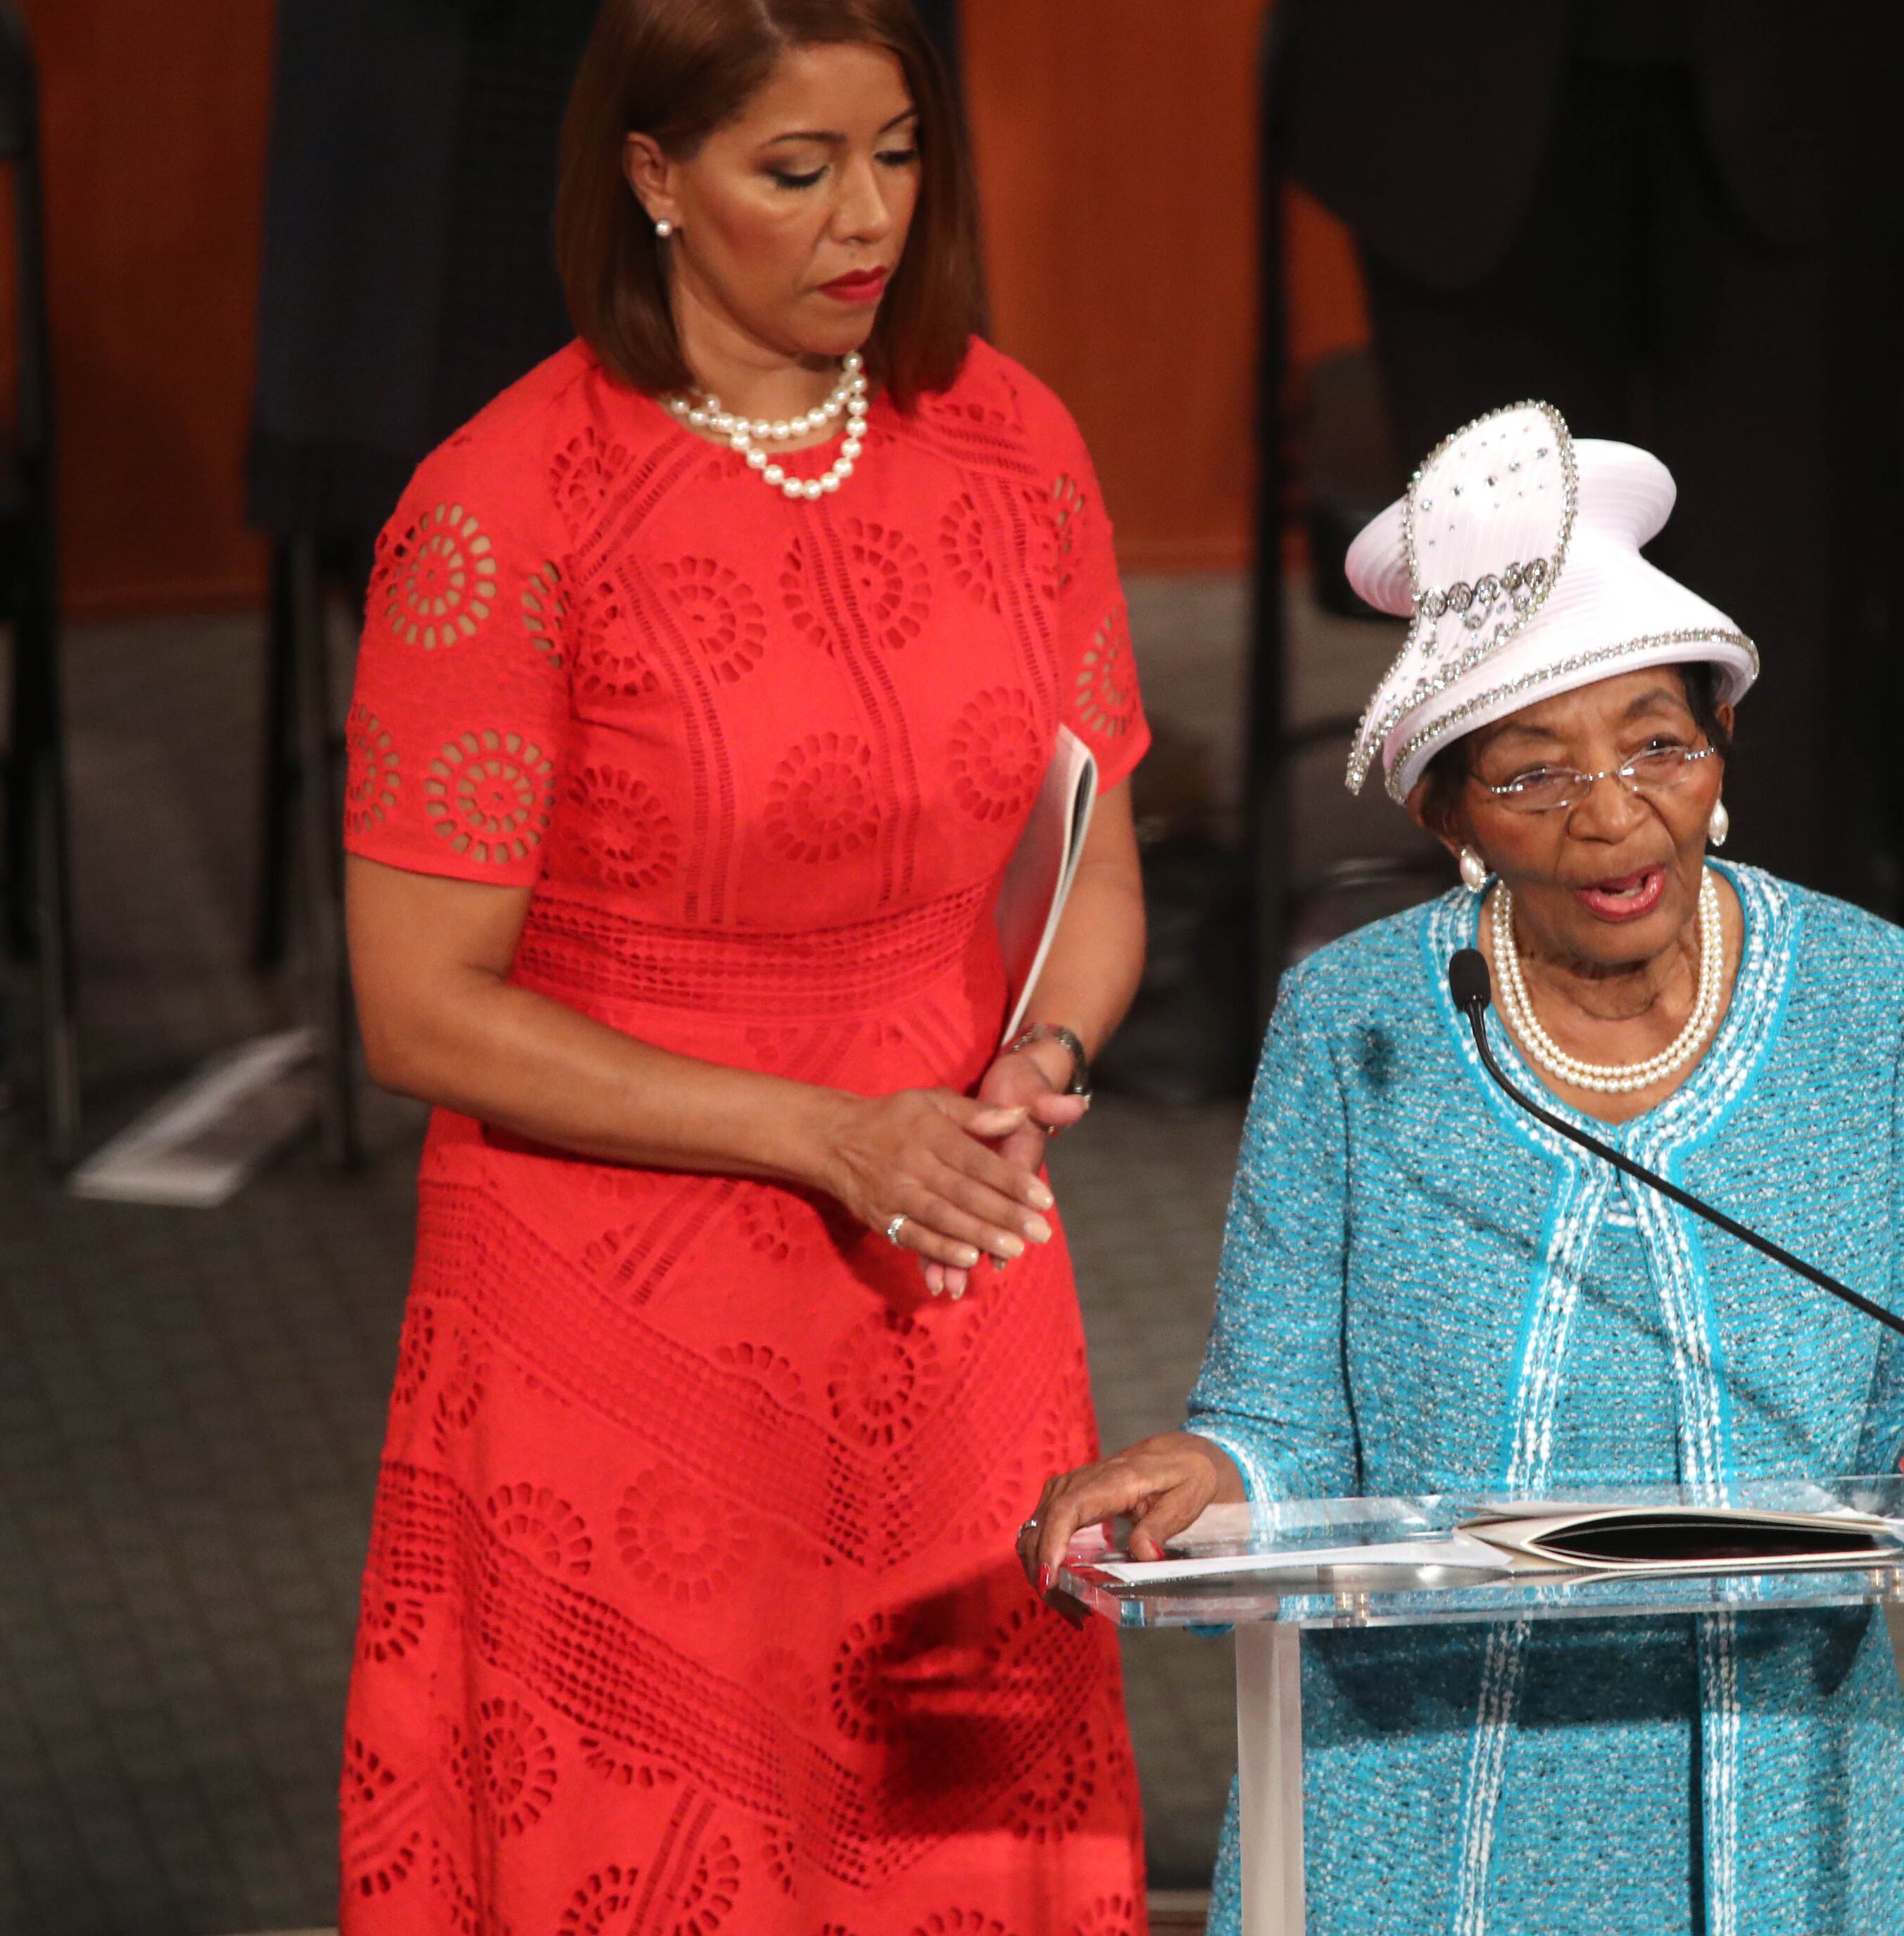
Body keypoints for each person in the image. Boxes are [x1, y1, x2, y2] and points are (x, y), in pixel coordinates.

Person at [1019, 404, 1904, 1935]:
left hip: (1778, 1769)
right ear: (1445, 810)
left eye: (1660, 744)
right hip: (1421, 1764)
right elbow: (1277, 1421)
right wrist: (1210, 1477)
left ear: (1720, 747)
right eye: (1534, 775)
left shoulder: (1876, 1000)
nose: (1613, 814)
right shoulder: (1355, 1021)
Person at [333, 2, 1153, 1929]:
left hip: (949, 1248)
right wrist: (825, 1134)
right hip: (620, 1304)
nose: (867, 216)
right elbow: (418, 1005)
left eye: (897, 154)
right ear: (654, 177)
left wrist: (1039, 1057)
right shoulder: (502, 507)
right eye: (798, 169)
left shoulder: (1014, 437)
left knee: (948, 1835)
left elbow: (1096, 861)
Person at [1268, 1, 1904, 931]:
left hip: (1811, 58)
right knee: (1505, 646)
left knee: (1793, 652)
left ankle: (1794, 1007)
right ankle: (1528, 1015)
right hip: (1443, 66)